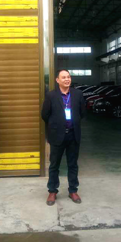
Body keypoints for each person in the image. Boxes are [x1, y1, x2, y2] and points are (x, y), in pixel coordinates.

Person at [41, 69, 85, 206]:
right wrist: (56, 125)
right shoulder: (51, 95)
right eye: (63, 77)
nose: (67, 79)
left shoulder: (77, 94)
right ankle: (52, 191)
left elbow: (82, 113)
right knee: (54, 165)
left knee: (73, 164)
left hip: (73, 134)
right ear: (57, 80)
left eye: (68, 77)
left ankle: (73, 190)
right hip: (57, 135)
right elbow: (45, 115)